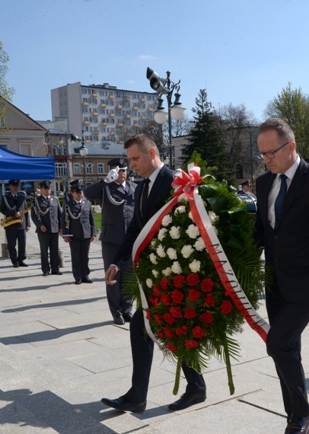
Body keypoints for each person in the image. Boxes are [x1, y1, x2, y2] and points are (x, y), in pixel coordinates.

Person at [101, 134, 206, 414]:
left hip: (174, 274)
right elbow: (136, 228)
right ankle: (194, 387)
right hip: (153, 273)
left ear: (151, 153)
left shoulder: (174, 182)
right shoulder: (141, 187)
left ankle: (141, 395)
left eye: (135, 158)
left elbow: (188, 229)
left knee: (147, 327)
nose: (131, 165)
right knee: (164, 328)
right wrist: (117, 261)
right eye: (130, 160)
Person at [254, 118, 309, 434]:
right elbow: (262, 233)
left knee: (277, 345)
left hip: (308, 285)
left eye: (270, 153)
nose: (266, 159)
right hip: (275, 284)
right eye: (261, 154)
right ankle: (295, 416)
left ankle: (303, 413)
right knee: (288, 349)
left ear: (290, 146)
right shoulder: (264, 183)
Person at [84, 158, 136, 325]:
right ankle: (117, 312)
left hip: (130, 239)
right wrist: (105, 180)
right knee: (113, 277)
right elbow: (87, 193)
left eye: (124, 170)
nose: (122, 174)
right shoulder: (105, 188)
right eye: (119, 171)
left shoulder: (133, 188)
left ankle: (127, 309)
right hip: (112, 239)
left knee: (129, 276)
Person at [62, 180, 95, 284]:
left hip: (86, 234)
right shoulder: (68, 205)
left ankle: (85, 275)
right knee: (76, 256)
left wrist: (93, 233)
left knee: (85, 256)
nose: (80, 194)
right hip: (74, 234)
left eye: (81, 192)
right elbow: (64, 220)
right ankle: (77, 276)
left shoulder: (87, 203)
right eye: (77, 193)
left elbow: (91, 219)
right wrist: (65, 235)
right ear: (72, 193)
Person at [31, 181, 62, 277]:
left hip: (54, 228)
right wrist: (40, 225)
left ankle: (55, 269)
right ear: (42, 189)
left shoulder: (55, 199)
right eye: (46, 188)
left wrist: (60, 227)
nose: (48, 190)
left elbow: (59, 215)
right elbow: (34, 216)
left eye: (49, 188)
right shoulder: (36, 200)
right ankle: (45, 269)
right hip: (43, 229)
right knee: (44, 250)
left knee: (55, 250)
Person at [0, 179, 30, 267]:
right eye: (13, 186)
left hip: (21, 224)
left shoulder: (21, 197)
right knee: (11, 244)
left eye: (17, 186)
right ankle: (14, 261)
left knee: (22, 243)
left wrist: (28, 224)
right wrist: (13, 213)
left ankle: (21, 259)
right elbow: (2, 209)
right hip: (10, 224)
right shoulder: (5, 197)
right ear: (10, 187)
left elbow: (26, 211)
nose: (15, 188)